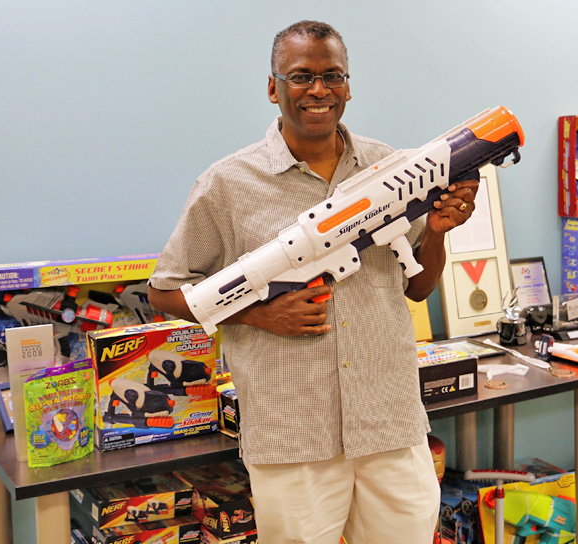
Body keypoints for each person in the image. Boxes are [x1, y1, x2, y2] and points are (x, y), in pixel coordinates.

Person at [148, 20, 479, 544]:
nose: (318, 90)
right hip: (291, 433)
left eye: (333, 76)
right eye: (301, 76)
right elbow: (163, 290)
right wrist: (258, 314)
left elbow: (417, 288)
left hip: (389, 422)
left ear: (348, 87)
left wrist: (436, 234)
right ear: (274, 87)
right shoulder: (228, 184)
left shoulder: (390, 168)